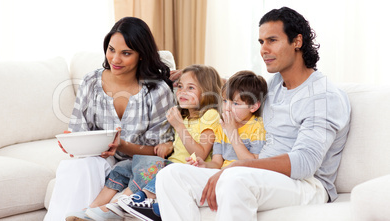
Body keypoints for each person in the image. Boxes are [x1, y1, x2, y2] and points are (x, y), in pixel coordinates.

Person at [155, 6, 352, 221]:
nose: (263, 49)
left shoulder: (323, 96)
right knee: (170, 176)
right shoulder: (277, 84)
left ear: (297, 41)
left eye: (272, 40)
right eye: (261, 42)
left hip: (306, 184)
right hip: (260, 174)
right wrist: (195, 76)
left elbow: (305, 163)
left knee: (235, 180)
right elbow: (241, 94)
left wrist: (243, 165)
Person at [44, 16, 175, 221]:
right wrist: (73, 144)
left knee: (92, 168)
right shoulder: (91, 82)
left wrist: (121, 145)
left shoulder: (158, 90)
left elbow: (160, 150)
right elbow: (78, 129)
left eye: (126, 53)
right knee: (77, 166)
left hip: (140, 163)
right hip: (101, 158)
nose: (115, 59)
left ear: (141, 55)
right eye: (111, 49)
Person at [69, 64, 223, 221]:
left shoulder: (210, 115)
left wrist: (178, 125)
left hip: (184, 170)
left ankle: (116, 207)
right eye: (181, 86)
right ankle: (90, 209)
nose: (182, 92)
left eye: (191, 88)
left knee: (150, 166)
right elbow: (176, 143)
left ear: (207, 92)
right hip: (170, 163)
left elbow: (201, 153)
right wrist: (168, 144)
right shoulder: (182, 116)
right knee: (124, 166)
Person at [187, 70, 267, 170]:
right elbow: (216, 163)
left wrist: (232, 132)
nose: (227, 108)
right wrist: (204, 165)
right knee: (173, 170)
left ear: (254, 106)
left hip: (242, 174)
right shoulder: (221, 127)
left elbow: (252, 164)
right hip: (222, 173)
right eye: (225, 101)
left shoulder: (257, 127)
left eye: (235, 103)